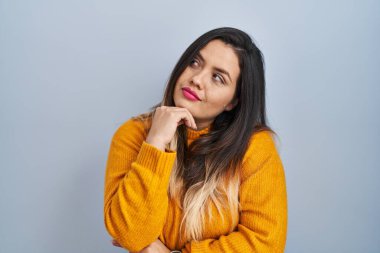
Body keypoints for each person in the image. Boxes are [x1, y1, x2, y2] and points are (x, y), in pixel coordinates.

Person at [103, 27, 287, 253]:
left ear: (233, 101)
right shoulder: (134, 135)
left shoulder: (255, 148)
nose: (197, 79)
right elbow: (130, 233)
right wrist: (156, 142)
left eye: (218, 78)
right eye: (194, 62)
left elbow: (266, 245)